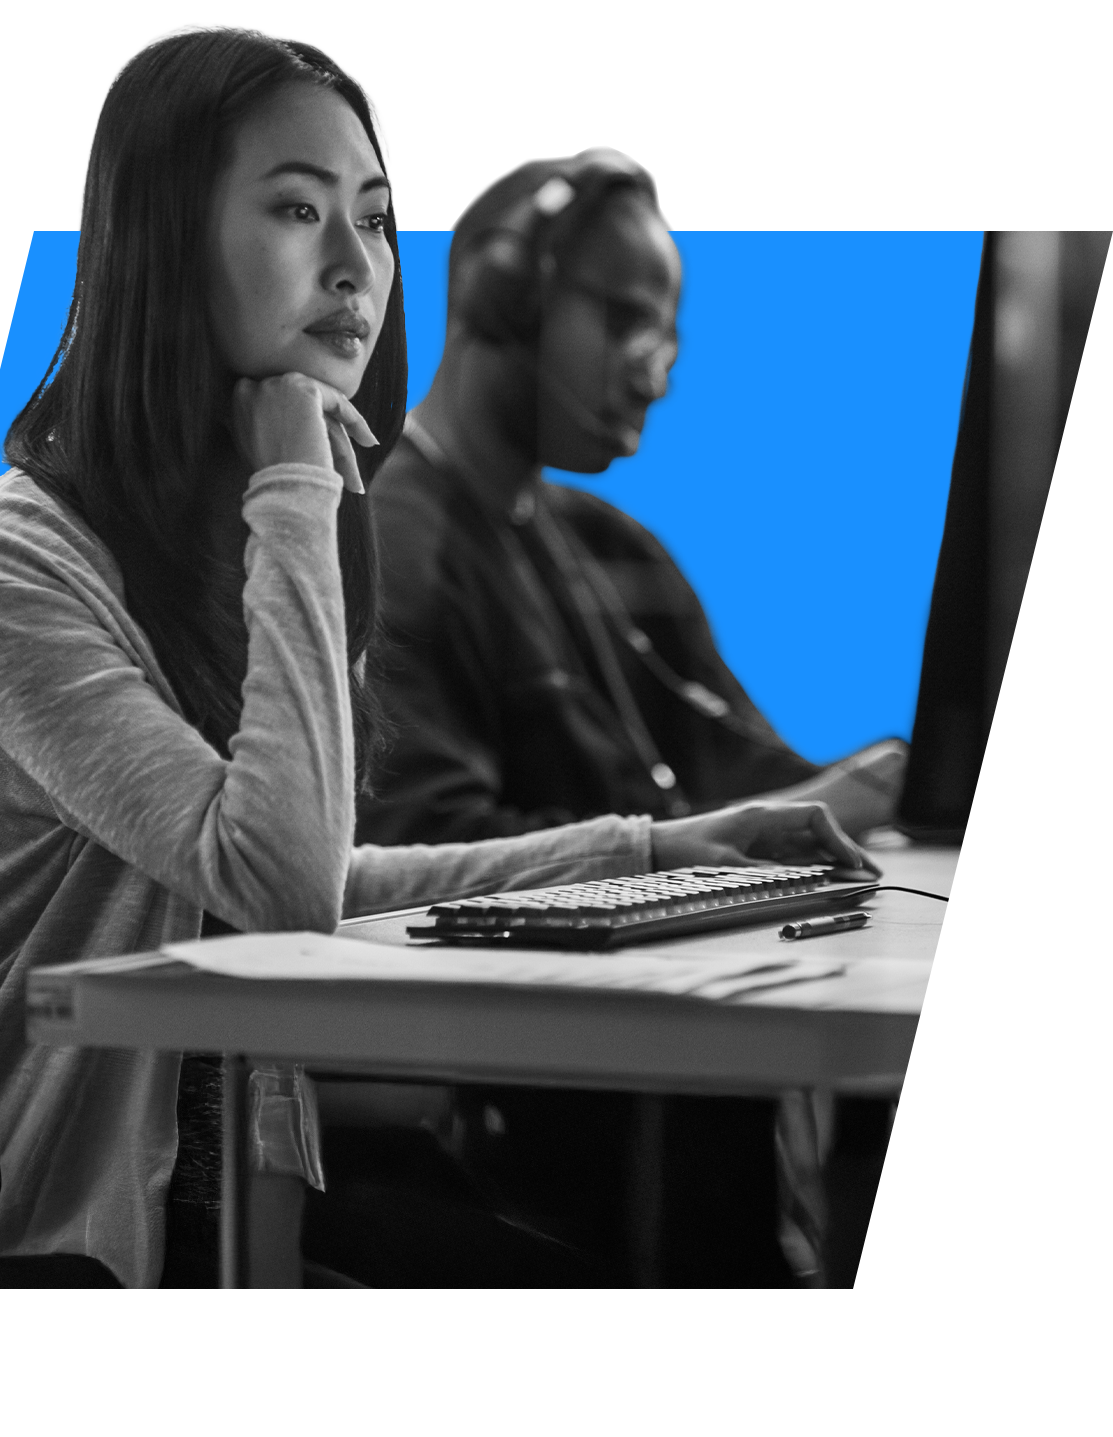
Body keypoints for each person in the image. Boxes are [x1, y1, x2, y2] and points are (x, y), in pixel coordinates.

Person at [0, 27, 872, 1332]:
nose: (352, 265)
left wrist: (661, 848)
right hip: (22, 1230)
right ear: (163, 239)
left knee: (584, 1309)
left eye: (370, 220)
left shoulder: (260, 534)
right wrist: (300, 480)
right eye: (296, 210)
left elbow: (317, 867)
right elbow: (279, 882)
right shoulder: (12, 555)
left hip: (210, 1202)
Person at [353, 150, 906, 1330]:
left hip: (667, 1089)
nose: (654, 373)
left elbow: (740, 777)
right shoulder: (396, 550)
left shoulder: (597, 543)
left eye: (669, 333)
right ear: (505, 298)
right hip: (555, 1123)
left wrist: (909, 775)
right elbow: (424, 851)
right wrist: (668, 849)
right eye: (624, 319)